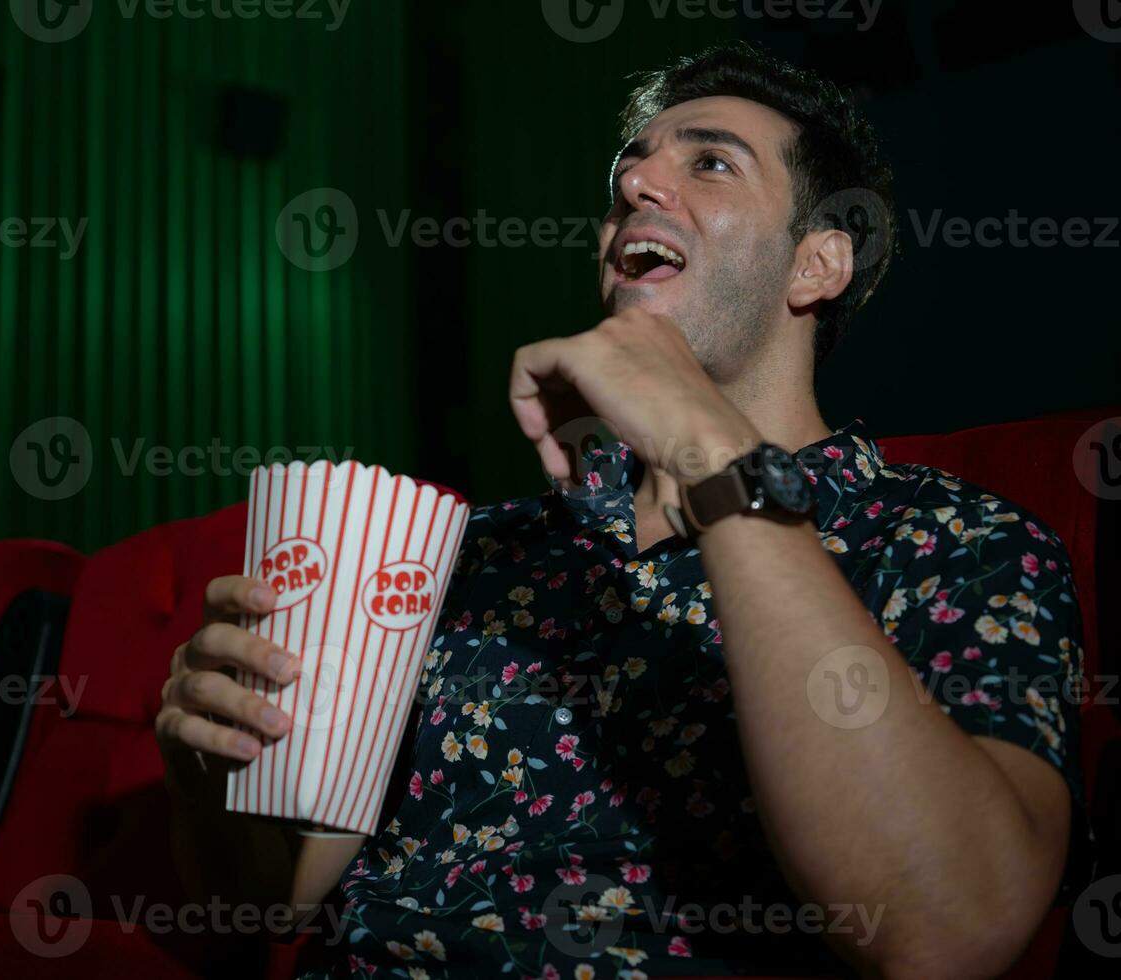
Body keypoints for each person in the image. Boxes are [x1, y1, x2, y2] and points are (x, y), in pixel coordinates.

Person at [158, 43, 1095, 978]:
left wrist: (704, 443)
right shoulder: (472, 556)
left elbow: (950, 928)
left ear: (816, 266)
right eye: (628, 171)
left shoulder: (956, 542)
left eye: (710, 161)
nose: (638, 180)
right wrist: (212, 760)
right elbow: (275, 901)